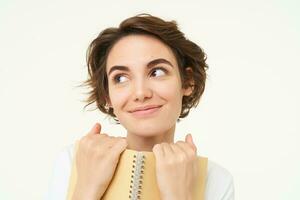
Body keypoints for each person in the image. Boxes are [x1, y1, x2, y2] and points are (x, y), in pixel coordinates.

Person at [46, 13, 234, 200]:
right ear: (107, 95)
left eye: (157, 72)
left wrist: (179, 195)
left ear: (187, 83)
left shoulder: (216, 180)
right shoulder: (74, 162)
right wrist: (87, 189)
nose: (140, 93)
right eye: (120, 78)